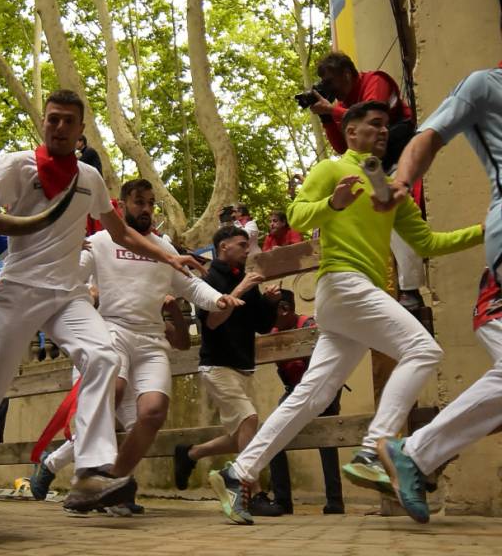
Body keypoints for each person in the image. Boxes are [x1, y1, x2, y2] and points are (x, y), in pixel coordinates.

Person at [0, 89, 202, 514]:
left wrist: (168, 255)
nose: (59, 126)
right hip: (19, 291)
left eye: (68, 121)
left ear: (81, 131)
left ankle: (90, 472)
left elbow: (120, 233)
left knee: (103, 357)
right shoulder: (16, 165)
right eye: (52, 119)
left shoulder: (90, 179)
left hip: (69, 295)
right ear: (43, 123)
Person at [207, 101, 484, 525]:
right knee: (423, 350)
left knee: (311, 397)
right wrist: (332, 205)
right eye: (373, 124)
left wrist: (488, 230)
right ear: (350, 132)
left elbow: (429, 243)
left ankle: (238, 472)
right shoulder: (331, 169)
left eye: (386, 126)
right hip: (341, 284)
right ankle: (376, 448)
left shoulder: (391, 191)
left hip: (352, 301)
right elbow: (298, 214)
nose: (382, 131)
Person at [30, 179, 241, 515]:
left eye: (150, 203)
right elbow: (71, 279)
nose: (145, 209)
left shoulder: (166, 249)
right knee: (110, 391)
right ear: (122, 205)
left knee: (153, 412)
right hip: (110, 331)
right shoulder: (99, 242)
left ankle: (113, 482)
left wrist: (220, 300)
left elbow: (193, 288)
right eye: (138, 202)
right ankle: (87, 481)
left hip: (151, 340)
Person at [372, 50, 502, 524]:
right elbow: (428, 136)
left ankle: (414, 454)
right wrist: (402, 179)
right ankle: (399, 451)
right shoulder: (484, 84)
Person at [173, 225, 283, 517]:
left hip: (243, 366)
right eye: (241, 245)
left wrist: (270, 303)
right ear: (224, 247)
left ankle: (190, 454)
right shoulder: (209, 280)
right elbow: (212, 323)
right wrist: (239, 290)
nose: (247, 250)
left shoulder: (243, 278)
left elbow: (261, 324)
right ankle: (252, 491)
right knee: (250, 419)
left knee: (241, 435)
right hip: (217, 365)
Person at [309, 51, 425, 309]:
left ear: (347, 74)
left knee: (395, 217)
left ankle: (410, 289)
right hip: (374, 167)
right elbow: (342, 147)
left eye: (331, 81)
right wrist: (328, 118)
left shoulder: (375, 80)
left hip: (401, 154)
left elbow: (373, 116)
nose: (330, 89)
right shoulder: (341, 107)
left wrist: (334, 109)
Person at [265, 290, 344, 515]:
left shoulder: (309, 326)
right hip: (294, 391)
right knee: (271, 432)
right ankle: (282, 500)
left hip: (322, 388)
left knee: (327, 440)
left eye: (271, 313)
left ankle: (335, 502)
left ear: (284, 309)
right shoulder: (273, 334)